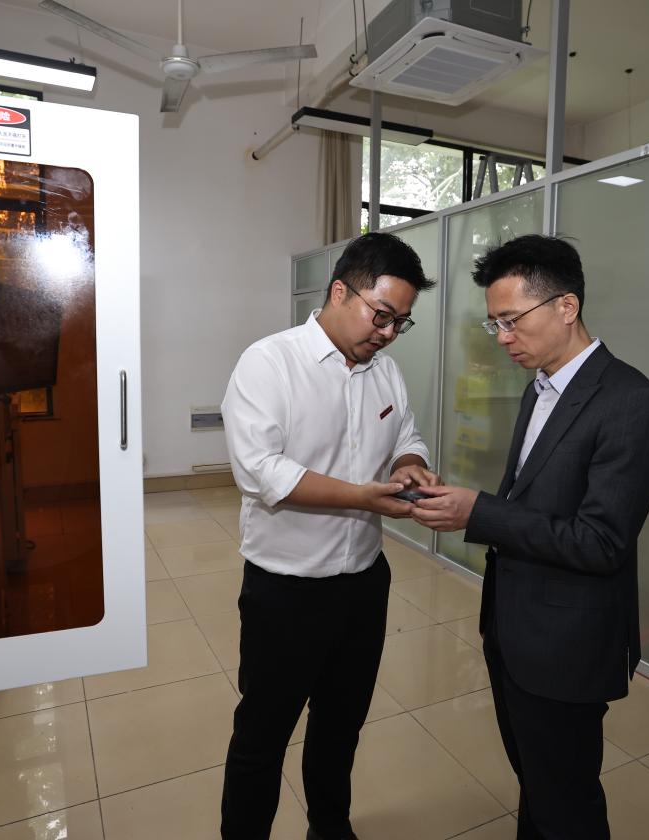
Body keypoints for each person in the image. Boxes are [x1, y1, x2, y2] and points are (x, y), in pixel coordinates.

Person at [412, 234, 649, 839]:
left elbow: (601, 542)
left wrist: (479, 512)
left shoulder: (630, 401)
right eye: (494, 323)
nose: (502, 338)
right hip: (516, 628)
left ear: (566, 306)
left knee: (567, 804)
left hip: (566, 645)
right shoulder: (542, 387)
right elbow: (536, 502)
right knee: (537, 784)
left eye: (511, 320)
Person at [219, 232, 439, 840]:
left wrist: (409, 466)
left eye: (401, 323)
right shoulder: (269, 363)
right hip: (285, 588)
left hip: (363, 582)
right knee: (262, 737)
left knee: (341, 726)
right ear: (340, 291)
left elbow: (407, 436)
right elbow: (261, 472)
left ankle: (330, 828)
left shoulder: (385, 372)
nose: (388, 333)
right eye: (381, 316)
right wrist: (362, 496)